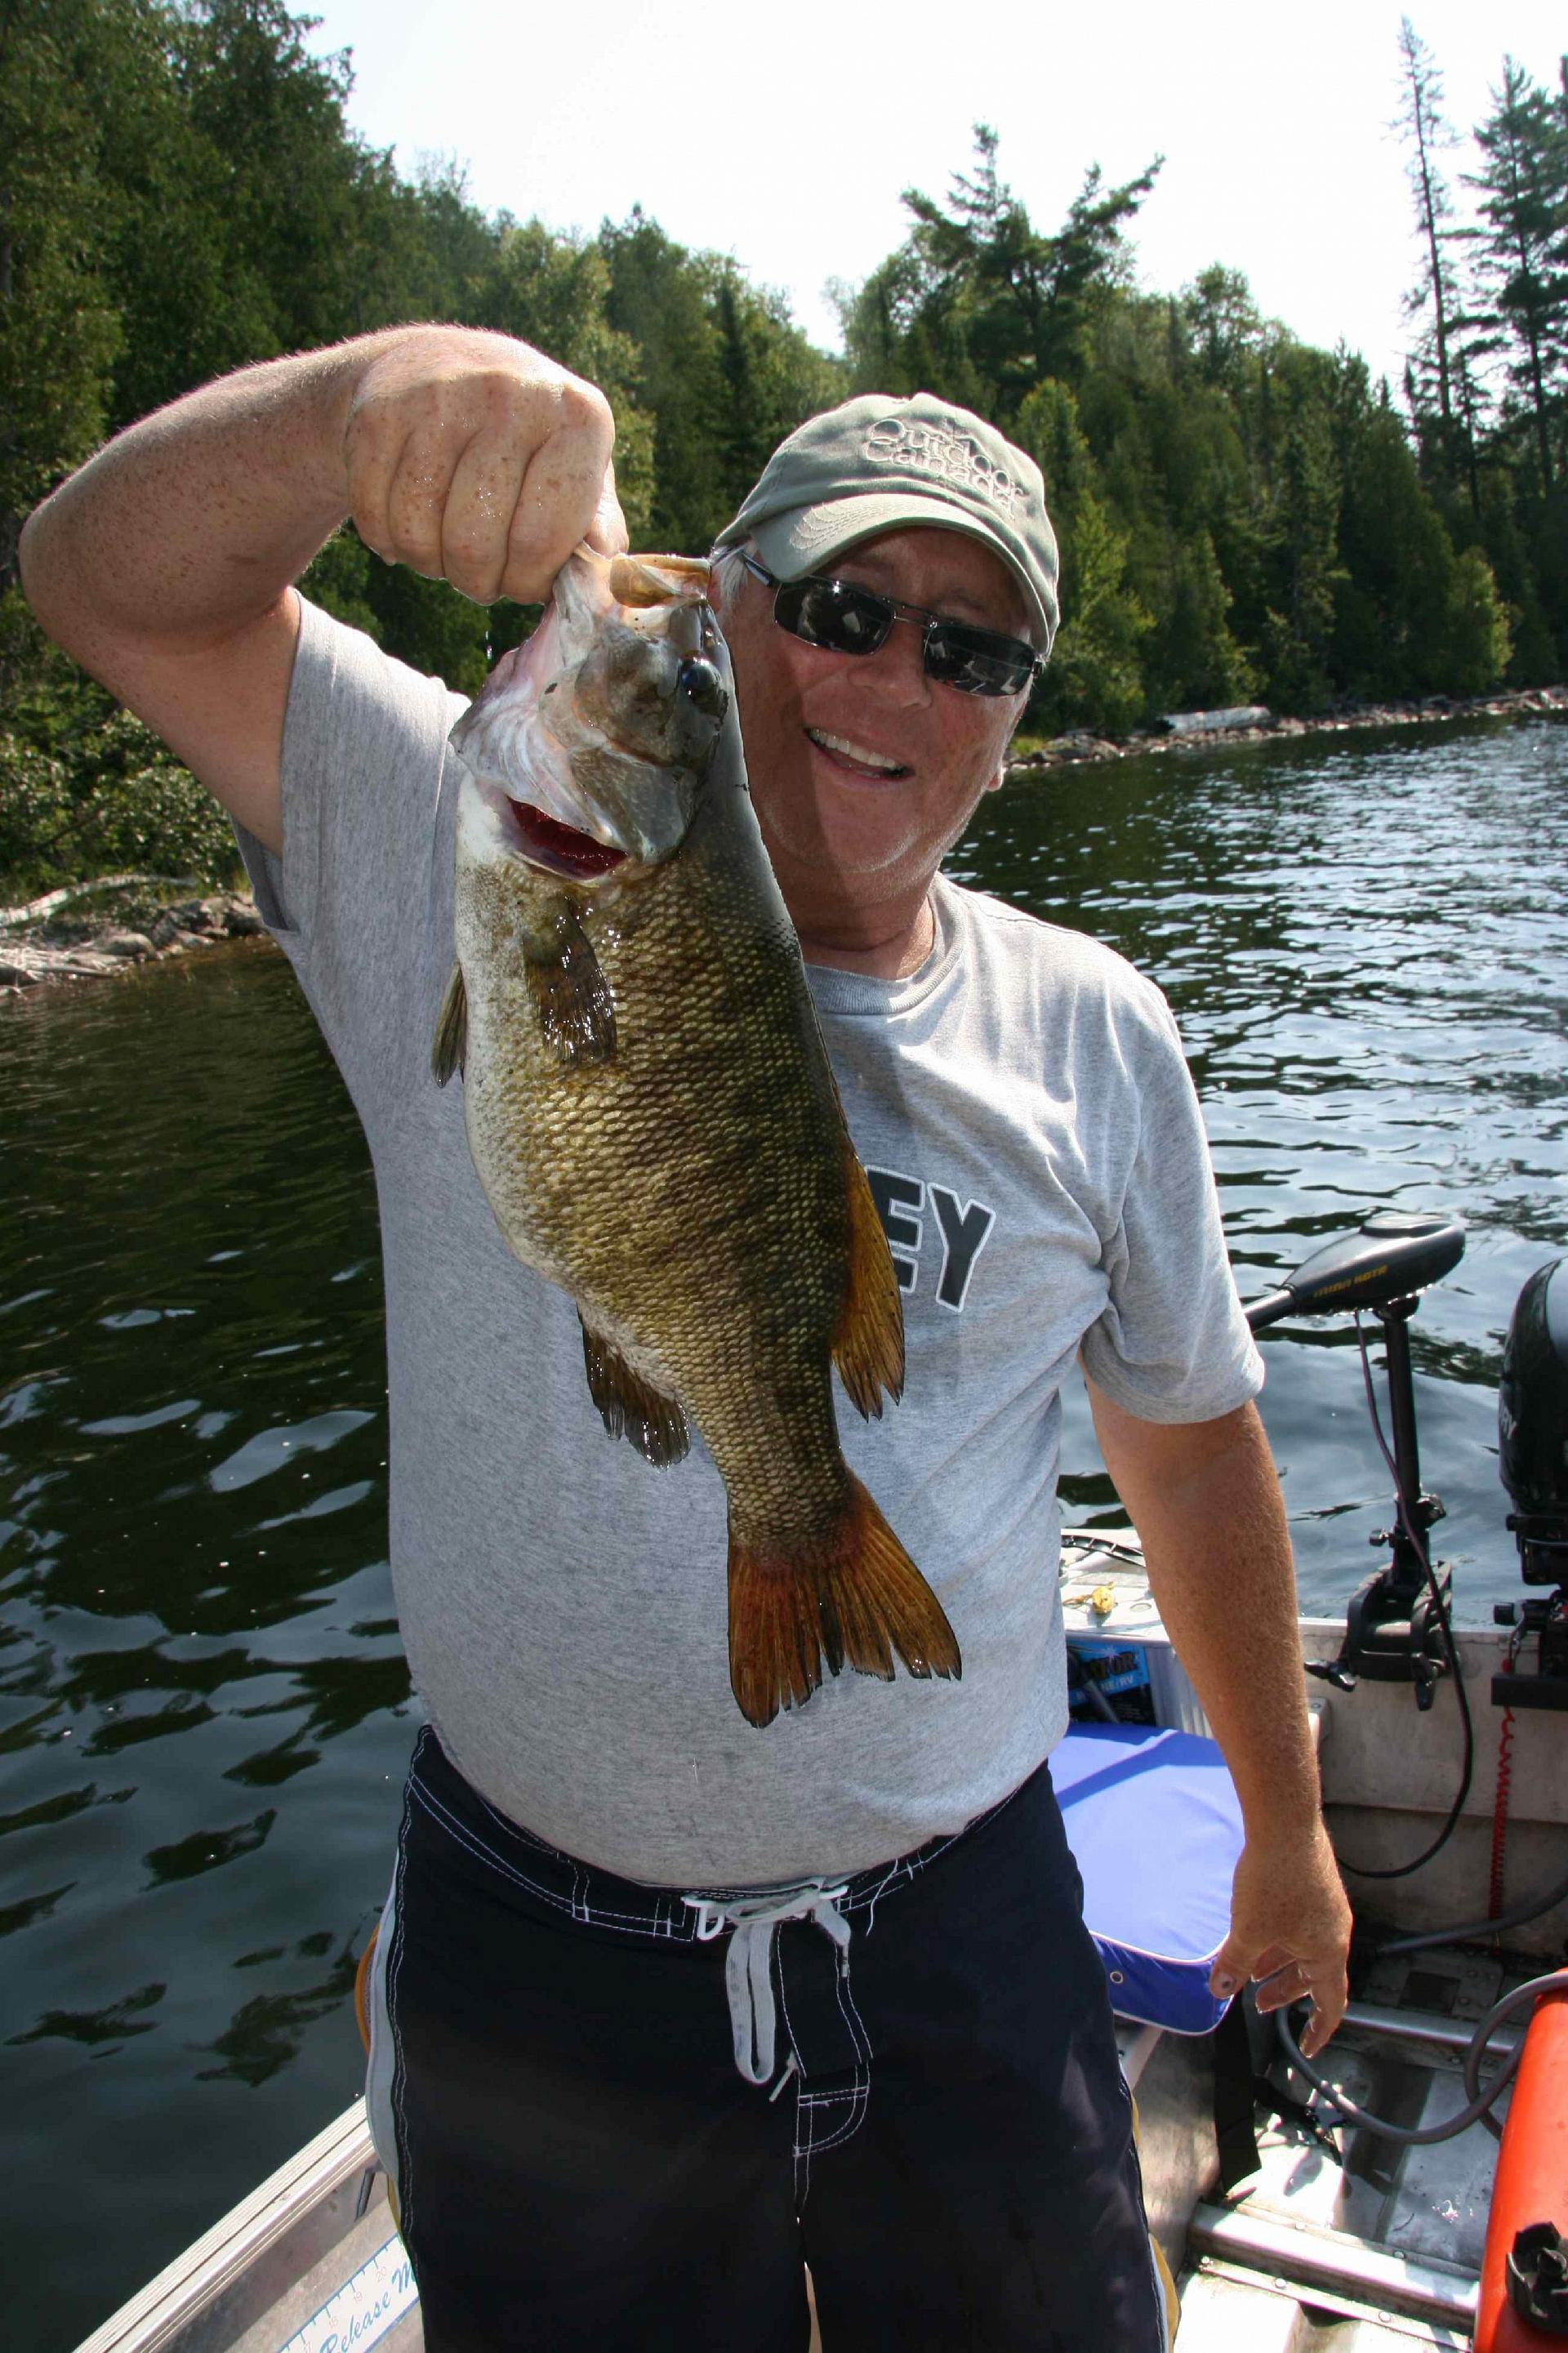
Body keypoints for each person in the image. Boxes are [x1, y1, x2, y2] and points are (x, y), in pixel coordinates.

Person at [20, 325, 1352, 2352]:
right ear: (722, 603)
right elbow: (99, 574)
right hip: (541, 1972)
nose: (902, 680)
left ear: (1012, 713)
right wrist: (350, 406)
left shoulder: (1099, 1034)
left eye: (976, 650)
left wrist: (1292, 1827)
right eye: (841, 608)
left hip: (971, 1937)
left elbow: (1189, 1449)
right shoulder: (459, 840)